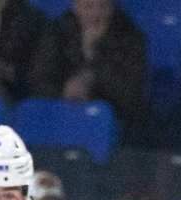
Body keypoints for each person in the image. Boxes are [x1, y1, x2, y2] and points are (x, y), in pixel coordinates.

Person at [30, 0, 147, 132]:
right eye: (88, 6)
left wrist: (93, 54)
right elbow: (39, 79)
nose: (95, 14)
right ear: (75, 7)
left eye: (103, 7)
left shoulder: (131, 37)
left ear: (113, 8)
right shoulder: (57, 31)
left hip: (114, 119)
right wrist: (64, 91)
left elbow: (130, 93)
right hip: (59, 112)